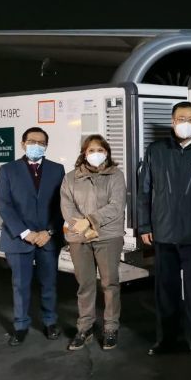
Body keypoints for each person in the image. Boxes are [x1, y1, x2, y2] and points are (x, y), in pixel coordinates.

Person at [138, 101, 191, 358]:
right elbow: (144, 192)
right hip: (163, 234)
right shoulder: (156, 150)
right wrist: (144, 225)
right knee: (165, 291)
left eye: (190, 118)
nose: (185, 122)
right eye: (180, 118)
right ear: (172, 121)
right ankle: (165, 340)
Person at [0, 127, 65, 346]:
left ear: (46, 146)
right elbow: (4, 206)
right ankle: (21, 326)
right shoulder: (8, 169)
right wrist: (26, 233)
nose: (37, 145)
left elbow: (62, 205)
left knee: (49, 283)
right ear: (23, 143)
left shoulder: (57, 170)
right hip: (18, 238)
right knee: (20, 285)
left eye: (41, 142)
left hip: (48, 237)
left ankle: (50, 322)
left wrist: (50, 231)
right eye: (32, 141)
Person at [60, 134, 127, 351]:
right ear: (84, 153)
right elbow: (67, 207)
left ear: (106, 152)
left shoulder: (116, 175)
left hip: (108, 236)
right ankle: (85, 327)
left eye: (100, 150)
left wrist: (90, 222)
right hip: (79, 239)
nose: (95, 154)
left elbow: (116, 206)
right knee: (85, 284)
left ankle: (110, 327)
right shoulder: (71, 178)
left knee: (109, 283)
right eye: (91, 150)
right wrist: (81, 228)